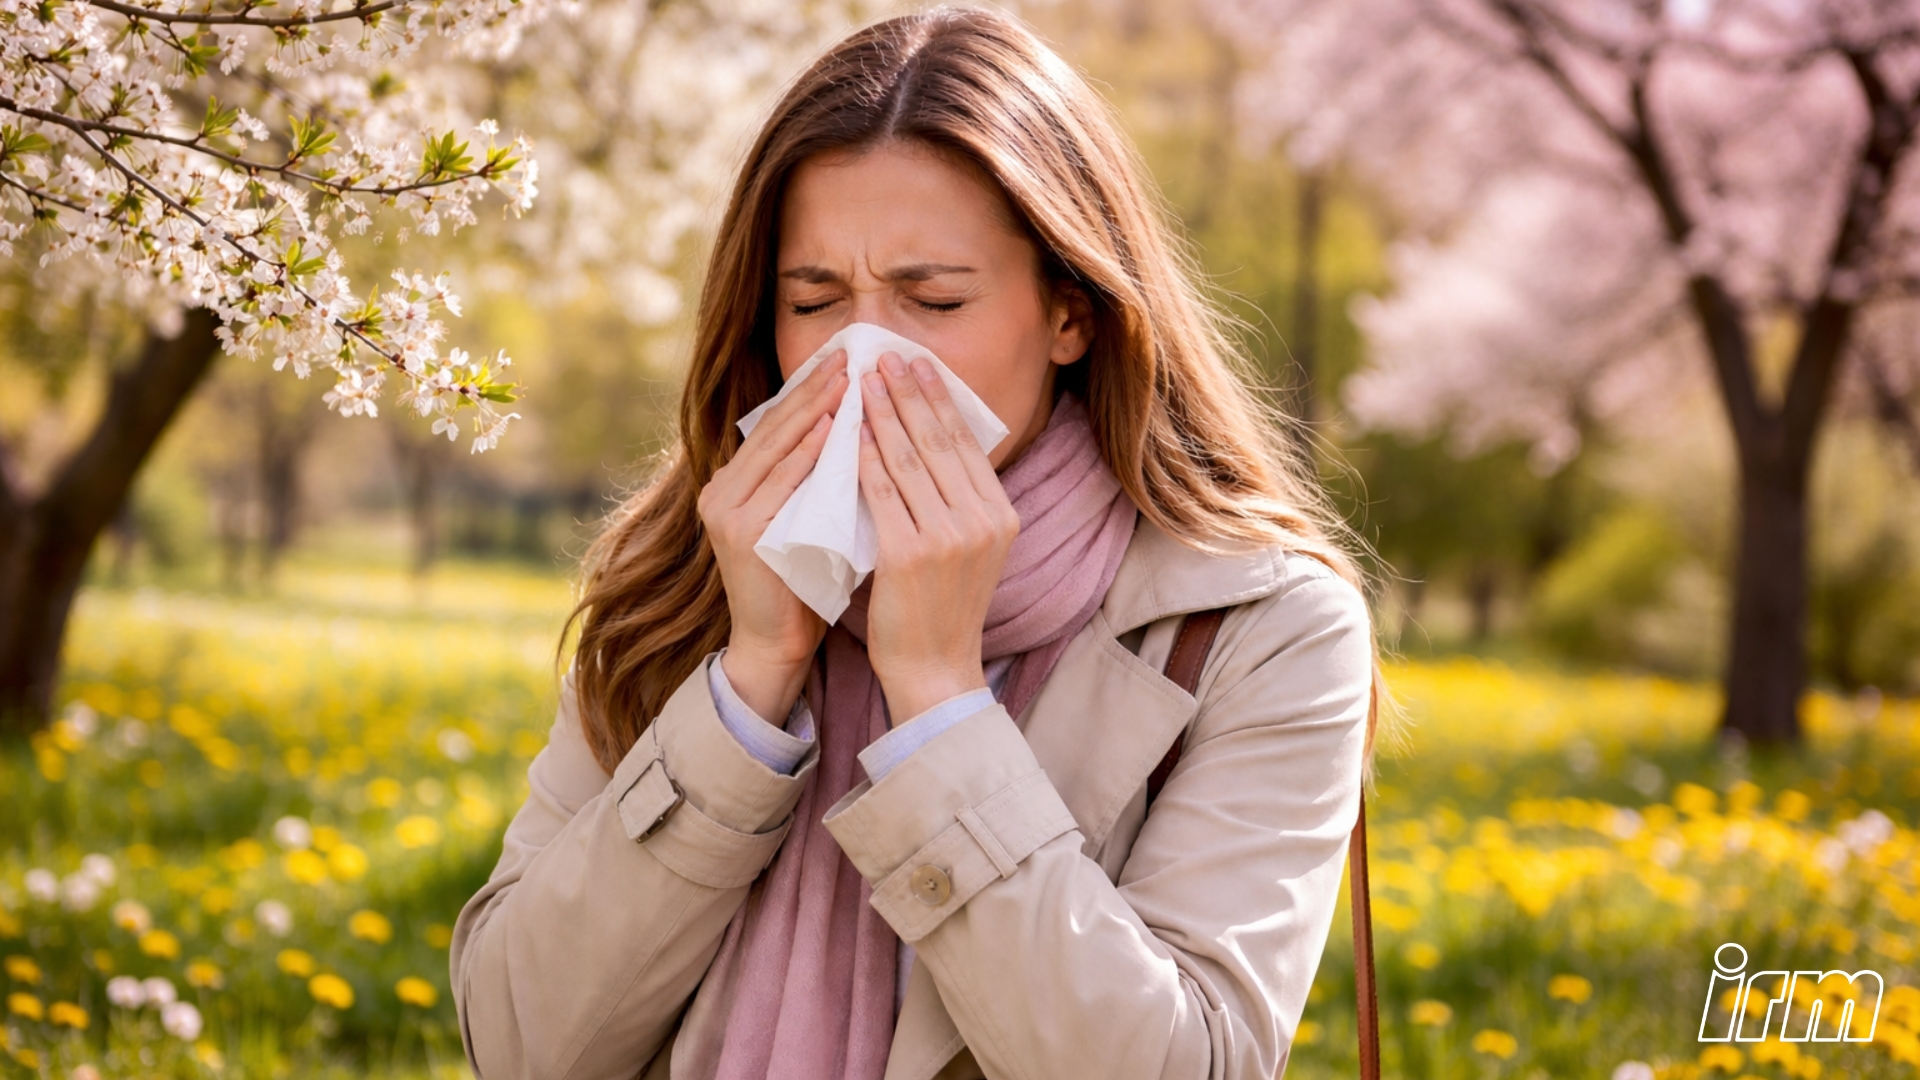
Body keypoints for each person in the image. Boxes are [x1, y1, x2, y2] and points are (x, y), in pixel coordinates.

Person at [450, 7, 1379, 1079]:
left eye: (932, 299)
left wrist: (938, 700)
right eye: (814, 300)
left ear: (1071, 315)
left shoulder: (1259, 629)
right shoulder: (685, 575)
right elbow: (519, 1046)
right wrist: (748, 685)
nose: (865, 357)